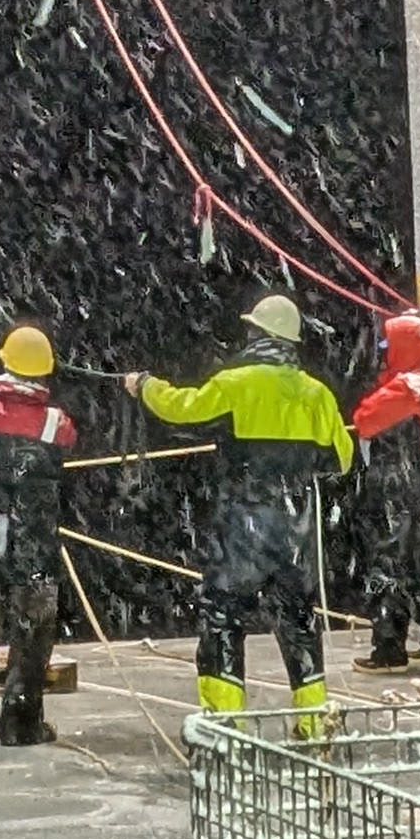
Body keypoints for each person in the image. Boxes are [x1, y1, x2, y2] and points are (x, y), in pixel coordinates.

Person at [129, 293, 354, 726]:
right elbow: (340, 461)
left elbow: (183, 411)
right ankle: (313, 726)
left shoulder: (238, 383)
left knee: (223, 614)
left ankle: (225, 724)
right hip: (296, 525)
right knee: (299, 621)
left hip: (243, 522)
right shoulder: (318, 394)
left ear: (260, 334)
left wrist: (145, 386)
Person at [0, 324, 77, 747]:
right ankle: (20, 722)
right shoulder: (55, 423)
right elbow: (67, 441)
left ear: (4, 362)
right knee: (33, 626)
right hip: (34, 542)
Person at [348, 308, 420, 670]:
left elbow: (364, 421)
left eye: (388, 343)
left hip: (397, 482)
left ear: (403, 346)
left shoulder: (402, 386)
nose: (383, 350)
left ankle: (388, 648)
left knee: (387, 562)